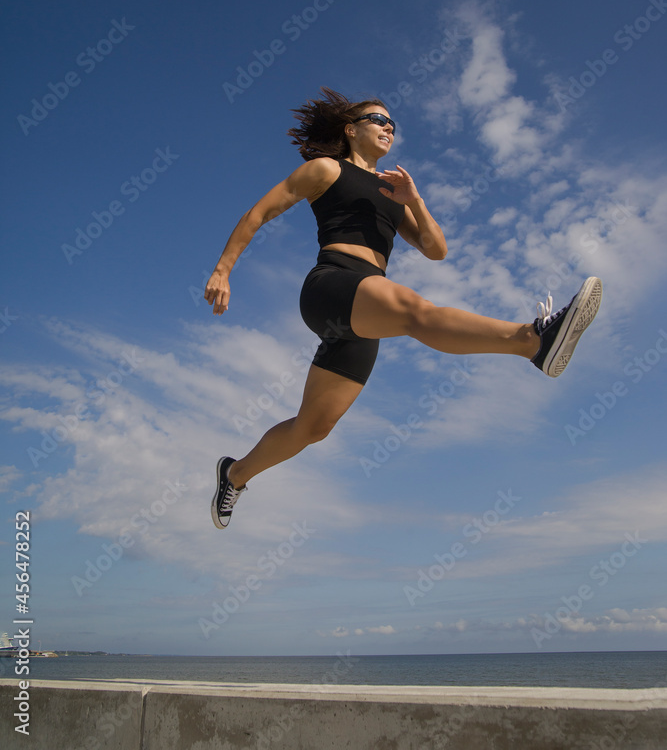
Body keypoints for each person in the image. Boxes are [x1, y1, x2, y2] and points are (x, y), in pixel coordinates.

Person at [205, 88, 602, 528]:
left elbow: (437, 250)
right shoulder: (326, 169)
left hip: (363, 314)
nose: (388, 126)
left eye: (393, 122)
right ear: (351, 129)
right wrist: (223, 270)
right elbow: (259, 212)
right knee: (415, 312)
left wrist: (413, 200)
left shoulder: (392, 190)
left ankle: (235, 473)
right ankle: (532, 340)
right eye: (378, 119)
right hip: (333, 285)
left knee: (313, 428)